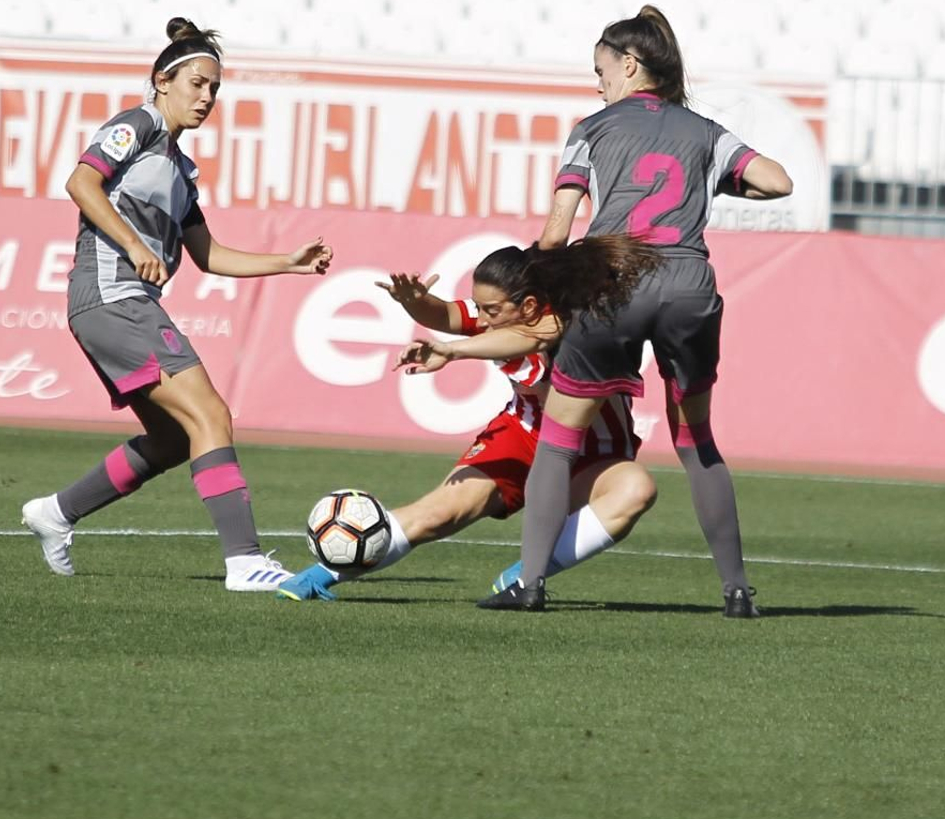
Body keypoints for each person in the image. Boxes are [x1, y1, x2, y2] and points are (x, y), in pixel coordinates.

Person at [479, 5, 793, 615]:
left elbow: (554, 234)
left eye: (600, 70)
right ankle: (736, 592)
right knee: (695, 439)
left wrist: (545, 284)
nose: (596, 83)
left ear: (629, 64)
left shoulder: (592, 128)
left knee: (559, 442)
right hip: (687, 283)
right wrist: (722, 181)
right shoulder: (706, 132)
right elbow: (778, 183)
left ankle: (532, 584)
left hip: (612, 280)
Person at [21, 18, 333, 590]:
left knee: (171, 438)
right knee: (211, 416)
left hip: (115, 303)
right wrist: (135, 244)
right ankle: (244, 562)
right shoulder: (137, 123)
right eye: (197, 83)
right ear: (162, 82)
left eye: (214, 88)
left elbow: (209, 254)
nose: (207, 97)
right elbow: (81, 183)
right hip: (114, 295)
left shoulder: (182, 172)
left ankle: (56, 513)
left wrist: (287, 262)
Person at [275, 237, 663, 602]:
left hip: (594, 456)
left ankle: (528, 573)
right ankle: (324, 572)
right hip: (523, 438)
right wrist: (414, 302)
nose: (482, 318)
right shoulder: (500, 320)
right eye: (480, 308)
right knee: (438, 514)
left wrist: (452, 350)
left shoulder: (574, 327)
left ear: (528, 306)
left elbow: (532, 347)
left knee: (636, 488)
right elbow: (445, 314)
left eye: (491, 310)